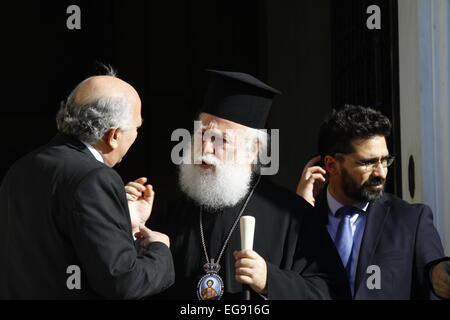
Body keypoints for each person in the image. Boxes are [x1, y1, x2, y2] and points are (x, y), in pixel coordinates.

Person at [126, 70, 351, 300]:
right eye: (201, 134)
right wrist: (134, 230)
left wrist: (270, 281)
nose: (205, 148)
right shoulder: (172, 213)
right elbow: (134, 287)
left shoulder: (293, 216)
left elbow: (332, 293)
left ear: (252, 150)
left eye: (220, 140)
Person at [0, 70, 175, 299]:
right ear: (113, 136)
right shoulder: (95, 178)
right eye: (136, 127)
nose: (136, 134)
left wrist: (124, 224)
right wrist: (159, 250)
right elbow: (122, 281)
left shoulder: (21, 168)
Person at [296, 104, 450, 299]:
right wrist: (299, 213)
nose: (381, 173)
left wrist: (439, 277)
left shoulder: (411, 220)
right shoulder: (301, 217)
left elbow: (435, 278)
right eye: (367, 163)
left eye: (384, 160)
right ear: (331, 165)